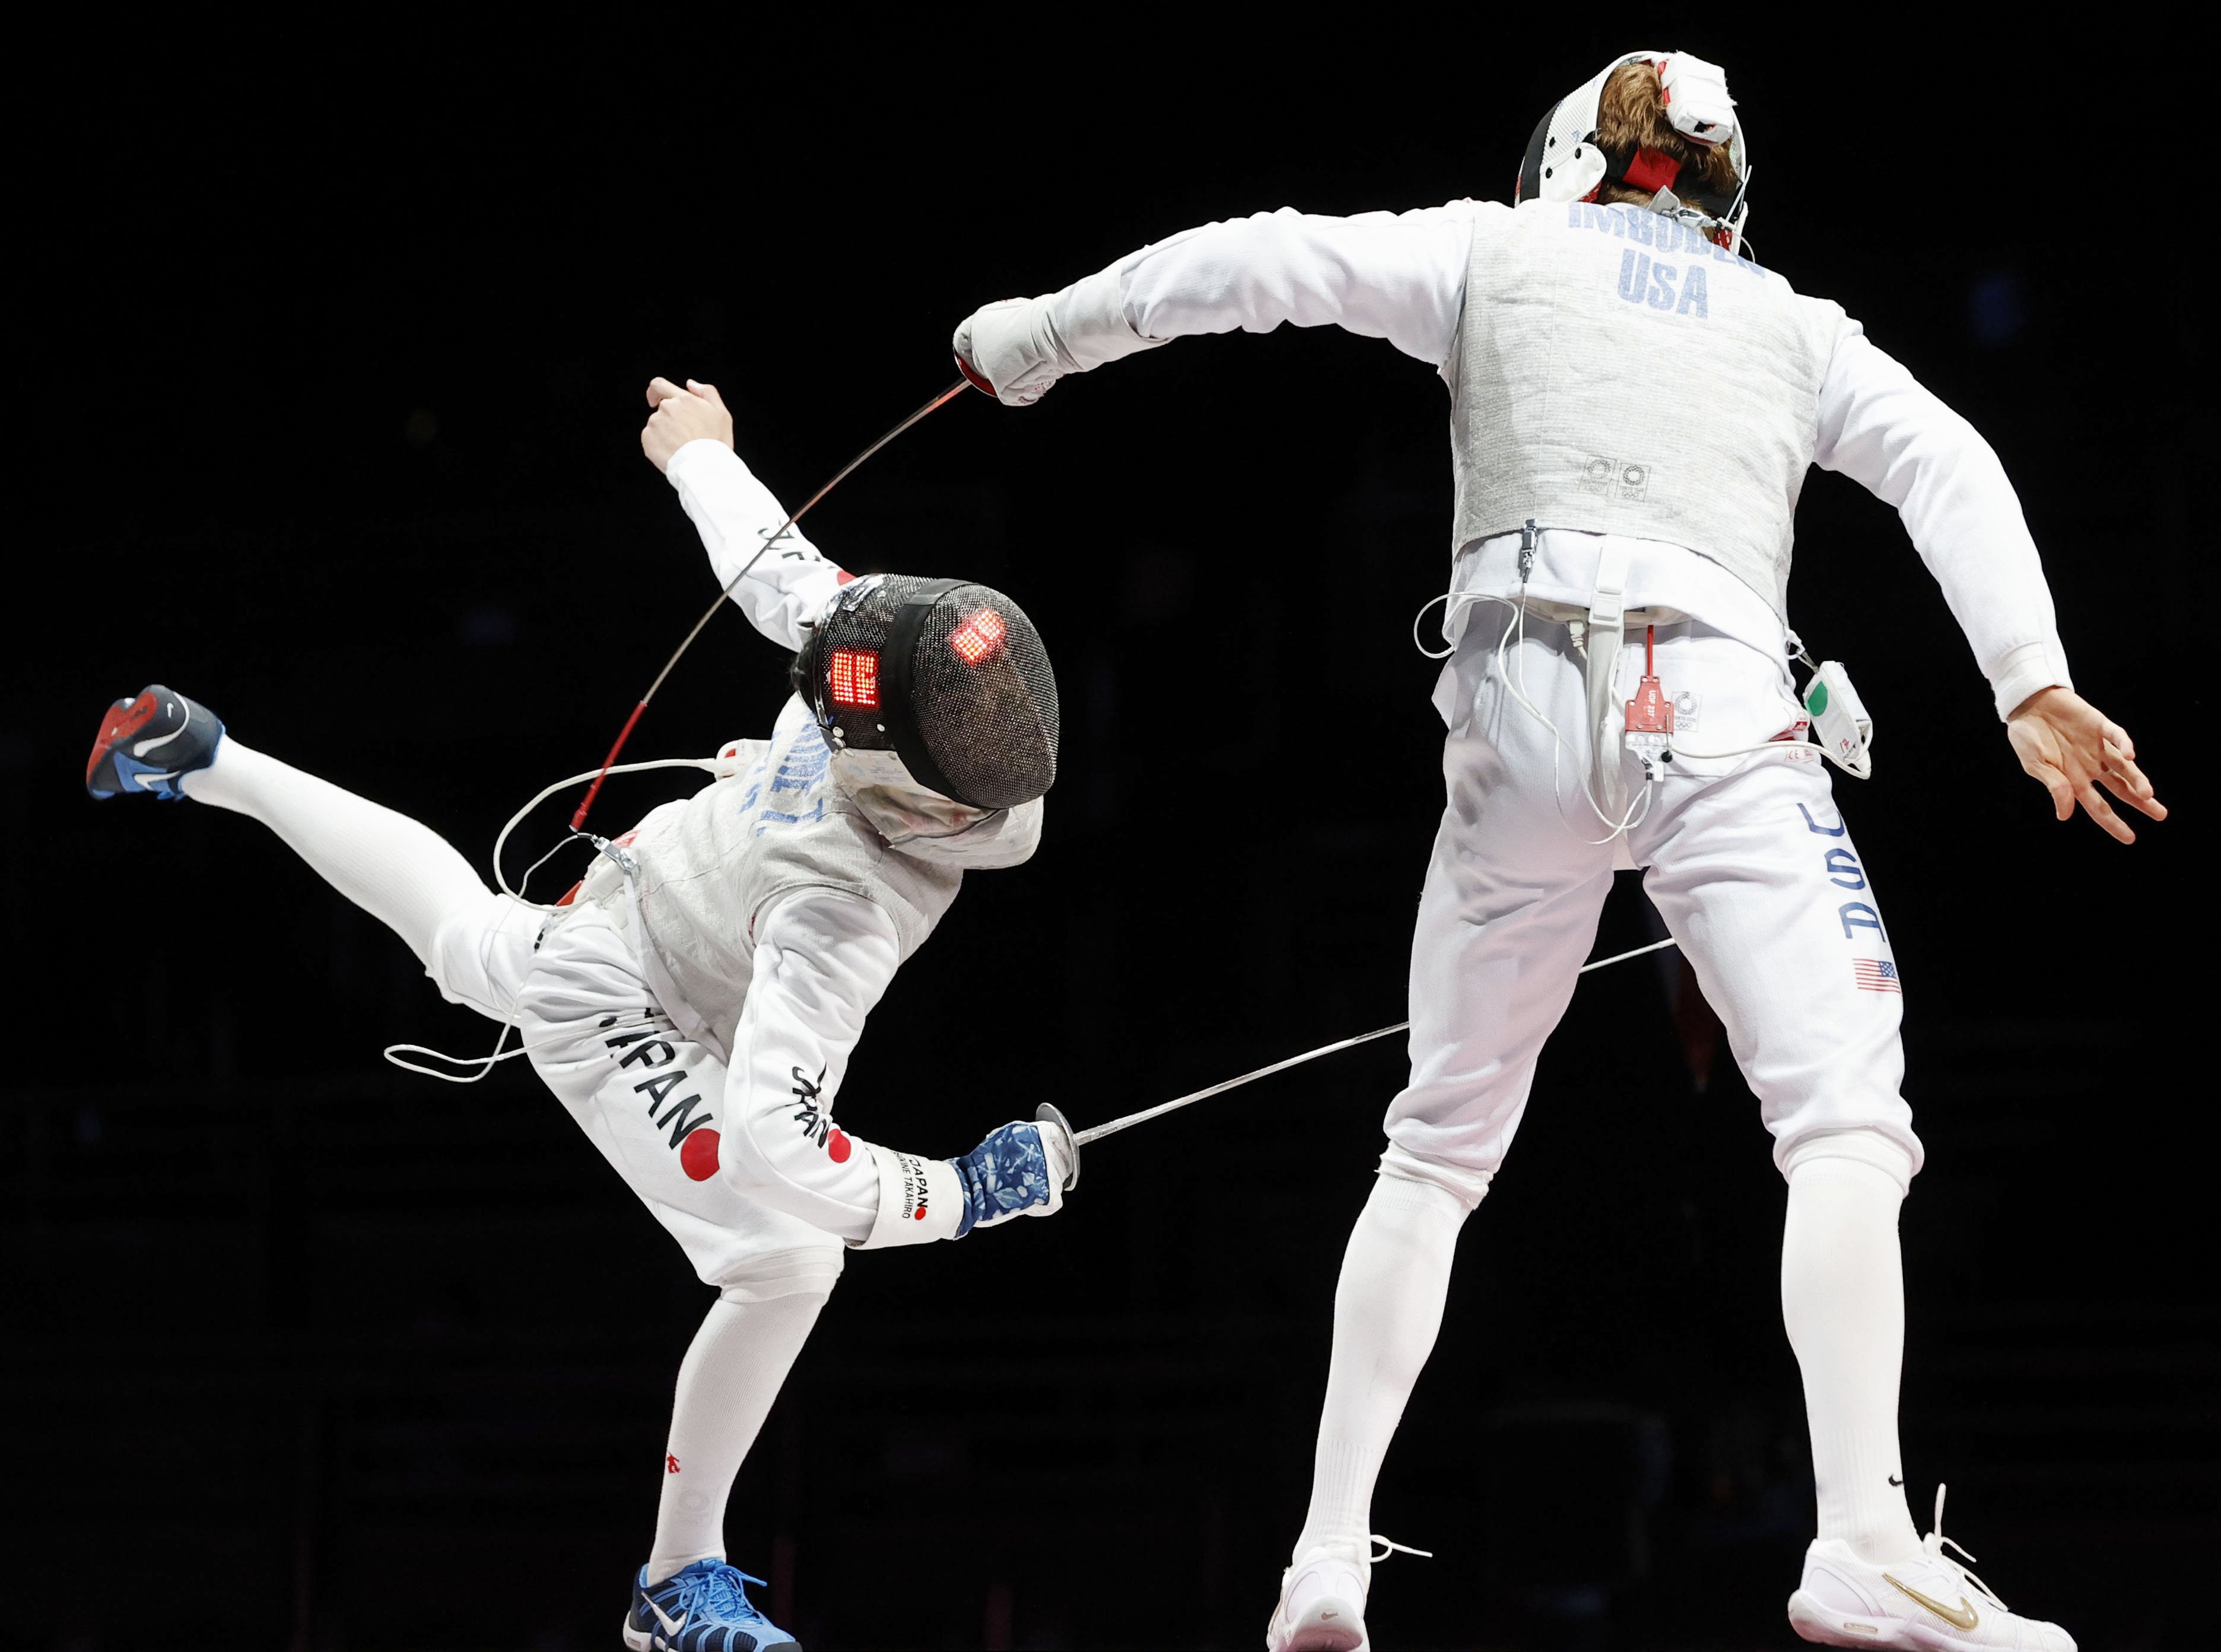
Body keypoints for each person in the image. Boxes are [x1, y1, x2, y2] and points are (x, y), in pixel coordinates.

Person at [949, 50, 2162, 1652]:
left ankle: (1324, 1558)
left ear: (1568, 159)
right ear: (1724, 191)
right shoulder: (1796, 327)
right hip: (1715, 708)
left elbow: (1251, 259)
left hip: (1513, 700)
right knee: (1848, 1128)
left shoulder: (1486, 246)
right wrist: (2031, 676)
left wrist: (1037, 337)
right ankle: (1863, 1537)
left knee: (1436, 1150)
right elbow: (1950, 460)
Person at [84, 376, 1076, 1652]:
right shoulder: (852, 873)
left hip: (656, 907)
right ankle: (673, 1585)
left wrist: (702, 456)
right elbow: (782, 1144)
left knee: (465, 939)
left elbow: (787, 579)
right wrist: (963, 1197)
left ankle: (203, 756)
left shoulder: (865, 761)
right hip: (625, 990)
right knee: (788, 1256)